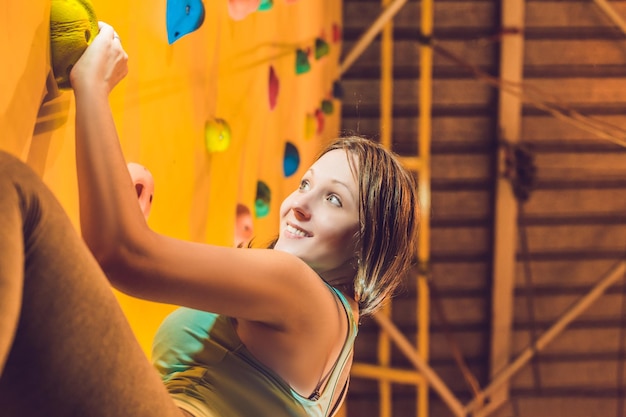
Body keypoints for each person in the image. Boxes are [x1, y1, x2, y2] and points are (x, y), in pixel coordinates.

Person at [0, 22, 418, 417]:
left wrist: (94, 82)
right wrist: (120, 216)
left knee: (14, 191)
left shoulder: (300, 288)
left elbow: (122, 254)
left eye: (333, 199)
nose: (299, 204)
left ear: (366, 247)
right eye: (306, 183)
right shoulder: (336, 359)